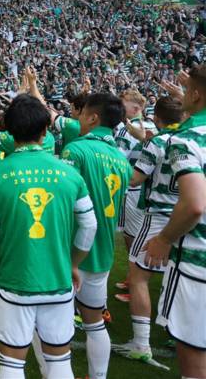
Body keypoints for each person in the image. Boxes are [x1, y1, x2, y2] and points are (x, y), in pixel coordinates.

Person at [0, 94, 97, 379]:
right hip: (58, 281)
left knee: (12, 364)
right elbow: (89, 226)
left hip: (14, 283)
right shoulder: (69, 174)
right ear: (45, 131)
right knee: (59, 361)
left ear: (9, 132)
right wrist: (74, 264)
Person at [60, 93, 132, 379]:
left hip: (70, 251)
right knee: (94, 322)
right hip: (102, 252)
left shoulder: (75, 151)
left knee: (58, 322)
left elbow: (62, 199)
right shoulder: (122, 160)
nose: (77, 118)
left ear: (93, 117)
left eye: (81, 114)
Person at [144, 66, 206, 379]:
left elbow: (195, 205)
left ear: (194, 94)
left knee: (195, 356)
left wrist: (164, 238)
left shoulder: (188, 139)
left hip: (198, 263)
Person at [112, 96, 183, 366]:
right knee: (178, 277)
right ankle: (179, 335)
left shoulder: (158, 141)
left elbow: (135, 178)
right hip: (186, 217)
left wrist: (112, 167)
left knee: (139, 277)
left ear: (157, 118)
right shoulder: (194, 138)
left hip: (158, 216)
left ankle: (141, 343)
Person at [112, 90, 157, 300]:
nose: (121, 109)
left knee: (134, 236)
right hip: (143, 189)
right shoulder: (151, 126)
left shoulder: (130, 129)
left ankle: (135, 284)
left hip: (132, 190)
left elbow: (117, 159)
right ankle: (132, 279)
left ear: (136, 108)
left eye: (125, 105)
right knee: (134, 235)